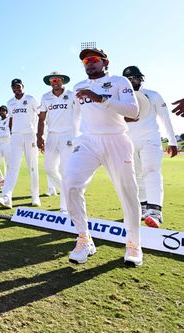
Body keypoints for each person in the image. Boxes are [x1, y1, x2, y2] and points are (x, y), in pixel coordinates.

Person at [64, 48, 143, 267]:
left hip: (116, 140)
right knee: (70, 183)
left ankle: (134, 245)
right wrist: (75, 138)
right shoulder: (78, 87)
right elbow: (76, 116)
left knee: (127, 193)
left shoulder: (119, 82)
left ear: (105, 62)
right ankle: (84, 239)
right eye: (85, 61)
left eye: (93, 59)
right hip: (89, 141)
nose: (88, 64)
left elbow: (133, 112)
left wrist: (100, 98)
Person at [122, 66, 178, 227]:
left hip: (150, 140)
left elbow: (165, 118)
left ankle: (155, 212)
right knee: (136, 175)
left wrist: (172, 142)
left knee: (151, 171)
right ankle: (143, 207)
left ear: (141, 78)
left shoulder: (153, 95)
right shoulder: (121, 97)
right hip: (129, 141)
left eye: (134, 78)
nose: (132, 81)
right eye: (128, 79)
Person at [0, 79, 41, 209]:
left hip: (30, 135)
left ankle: (35, 196)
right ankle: (6, 197)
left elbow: (39, 117)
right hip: (16, 137)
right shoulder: (10, 102)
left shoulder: (31, 99)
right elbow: (11, 120)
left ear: (23, 87)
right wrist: (11, 134)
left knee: (32, 166)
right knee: (12, 167)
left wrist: (38, 135)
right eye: (14, 87)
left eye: (19, 86)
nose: (17, 89)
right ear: (11, 89)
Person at [37, 71, 78, 214]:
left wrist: (79, 135)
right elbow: (41, 118)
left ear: (63, 81)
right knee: (49, 168)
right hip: (52, 135)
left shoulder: (72, 94)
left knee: (65, 170)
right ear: (50, 82)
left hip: (68, 135)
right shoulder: (45, 97)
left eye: (58, 80)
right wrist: (39, 136)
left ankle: (65, 207)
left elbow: (81, 113)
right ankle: (70, 193)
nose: (55, 82)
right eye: (52, 80)